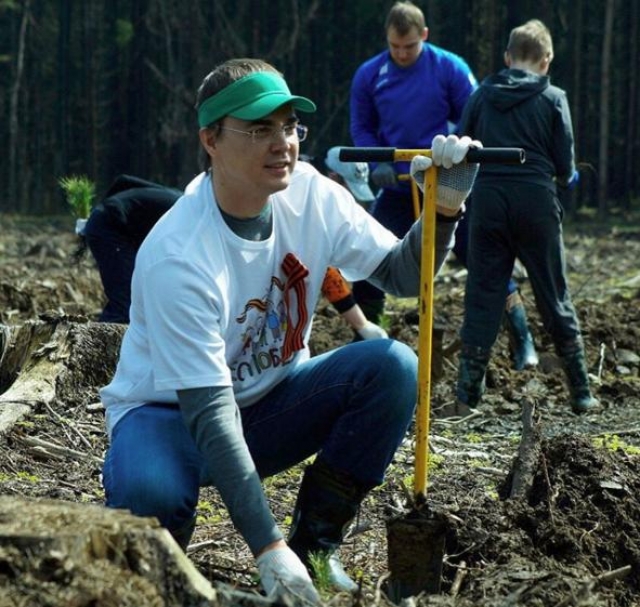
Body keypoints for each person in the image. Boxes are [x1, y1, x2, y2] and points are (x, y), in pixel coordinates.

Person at [99, 57, 479, 603]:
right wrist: (265, 547)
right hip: (171, 416)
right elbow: (208, 412)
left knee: (391, 367)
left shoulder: (313, 195)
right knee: (148, 493)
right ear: (210, 140)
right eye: (259, 130)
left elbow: (399, 273)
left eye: (289, 127)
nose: (283, 144)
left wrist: (443, 211)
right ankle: (168, 580)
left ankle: (316, 549)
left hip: (272, 402)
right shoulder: (179, 255)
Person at [455, 19, 599, 414]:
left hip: (488, 203)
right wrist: (567, 176)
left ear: (506, 58)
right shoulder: (554, 98)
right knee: (554, 294)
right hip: (536, 202)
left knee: (484, 294)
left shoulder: (482, 95)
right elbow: (564, 164)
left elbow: (460, 143)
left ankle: (468, 394)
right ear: (547, 60)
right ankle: (582, 393)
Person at [83, 173, 387, 341]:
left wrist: (361, 325)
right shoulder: (210, 214)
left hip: (127, 221)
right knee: (126, 303)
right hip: (112, 226)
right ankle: (95, 357)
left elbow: (325, 275)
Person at [349, 0, 477, 324]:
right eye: (395, 46)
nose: (402, 53)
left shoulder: (450, 68)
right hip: (397, 185)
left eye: (409, 46)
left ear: (425, 35)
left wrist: (454, 160)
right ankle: (368, 332)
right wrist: (378, 162)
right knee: (369, 260)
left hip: (443, 187)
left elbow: (472, 119)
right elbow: (361, 126)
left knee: (481, 257)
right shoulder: (369, 74)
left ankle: (517, 331)